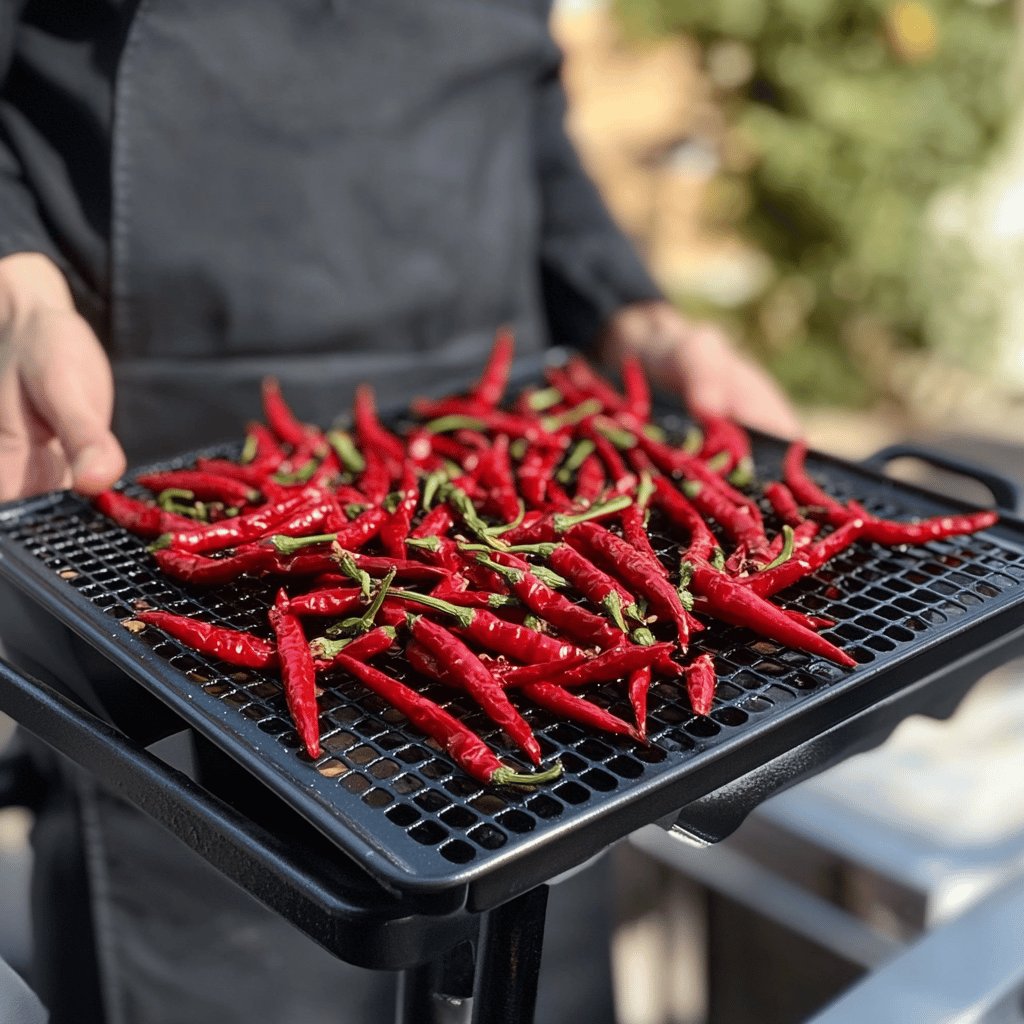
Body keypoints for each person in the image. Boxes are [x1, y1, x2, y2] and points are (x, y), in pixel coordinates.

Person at [0, 2, 800, 1022]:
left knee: (530, 880)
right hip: (166, 452)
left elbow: (524, 93)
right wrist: (15, 285)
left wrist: (625, 309)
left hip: (497, 449)